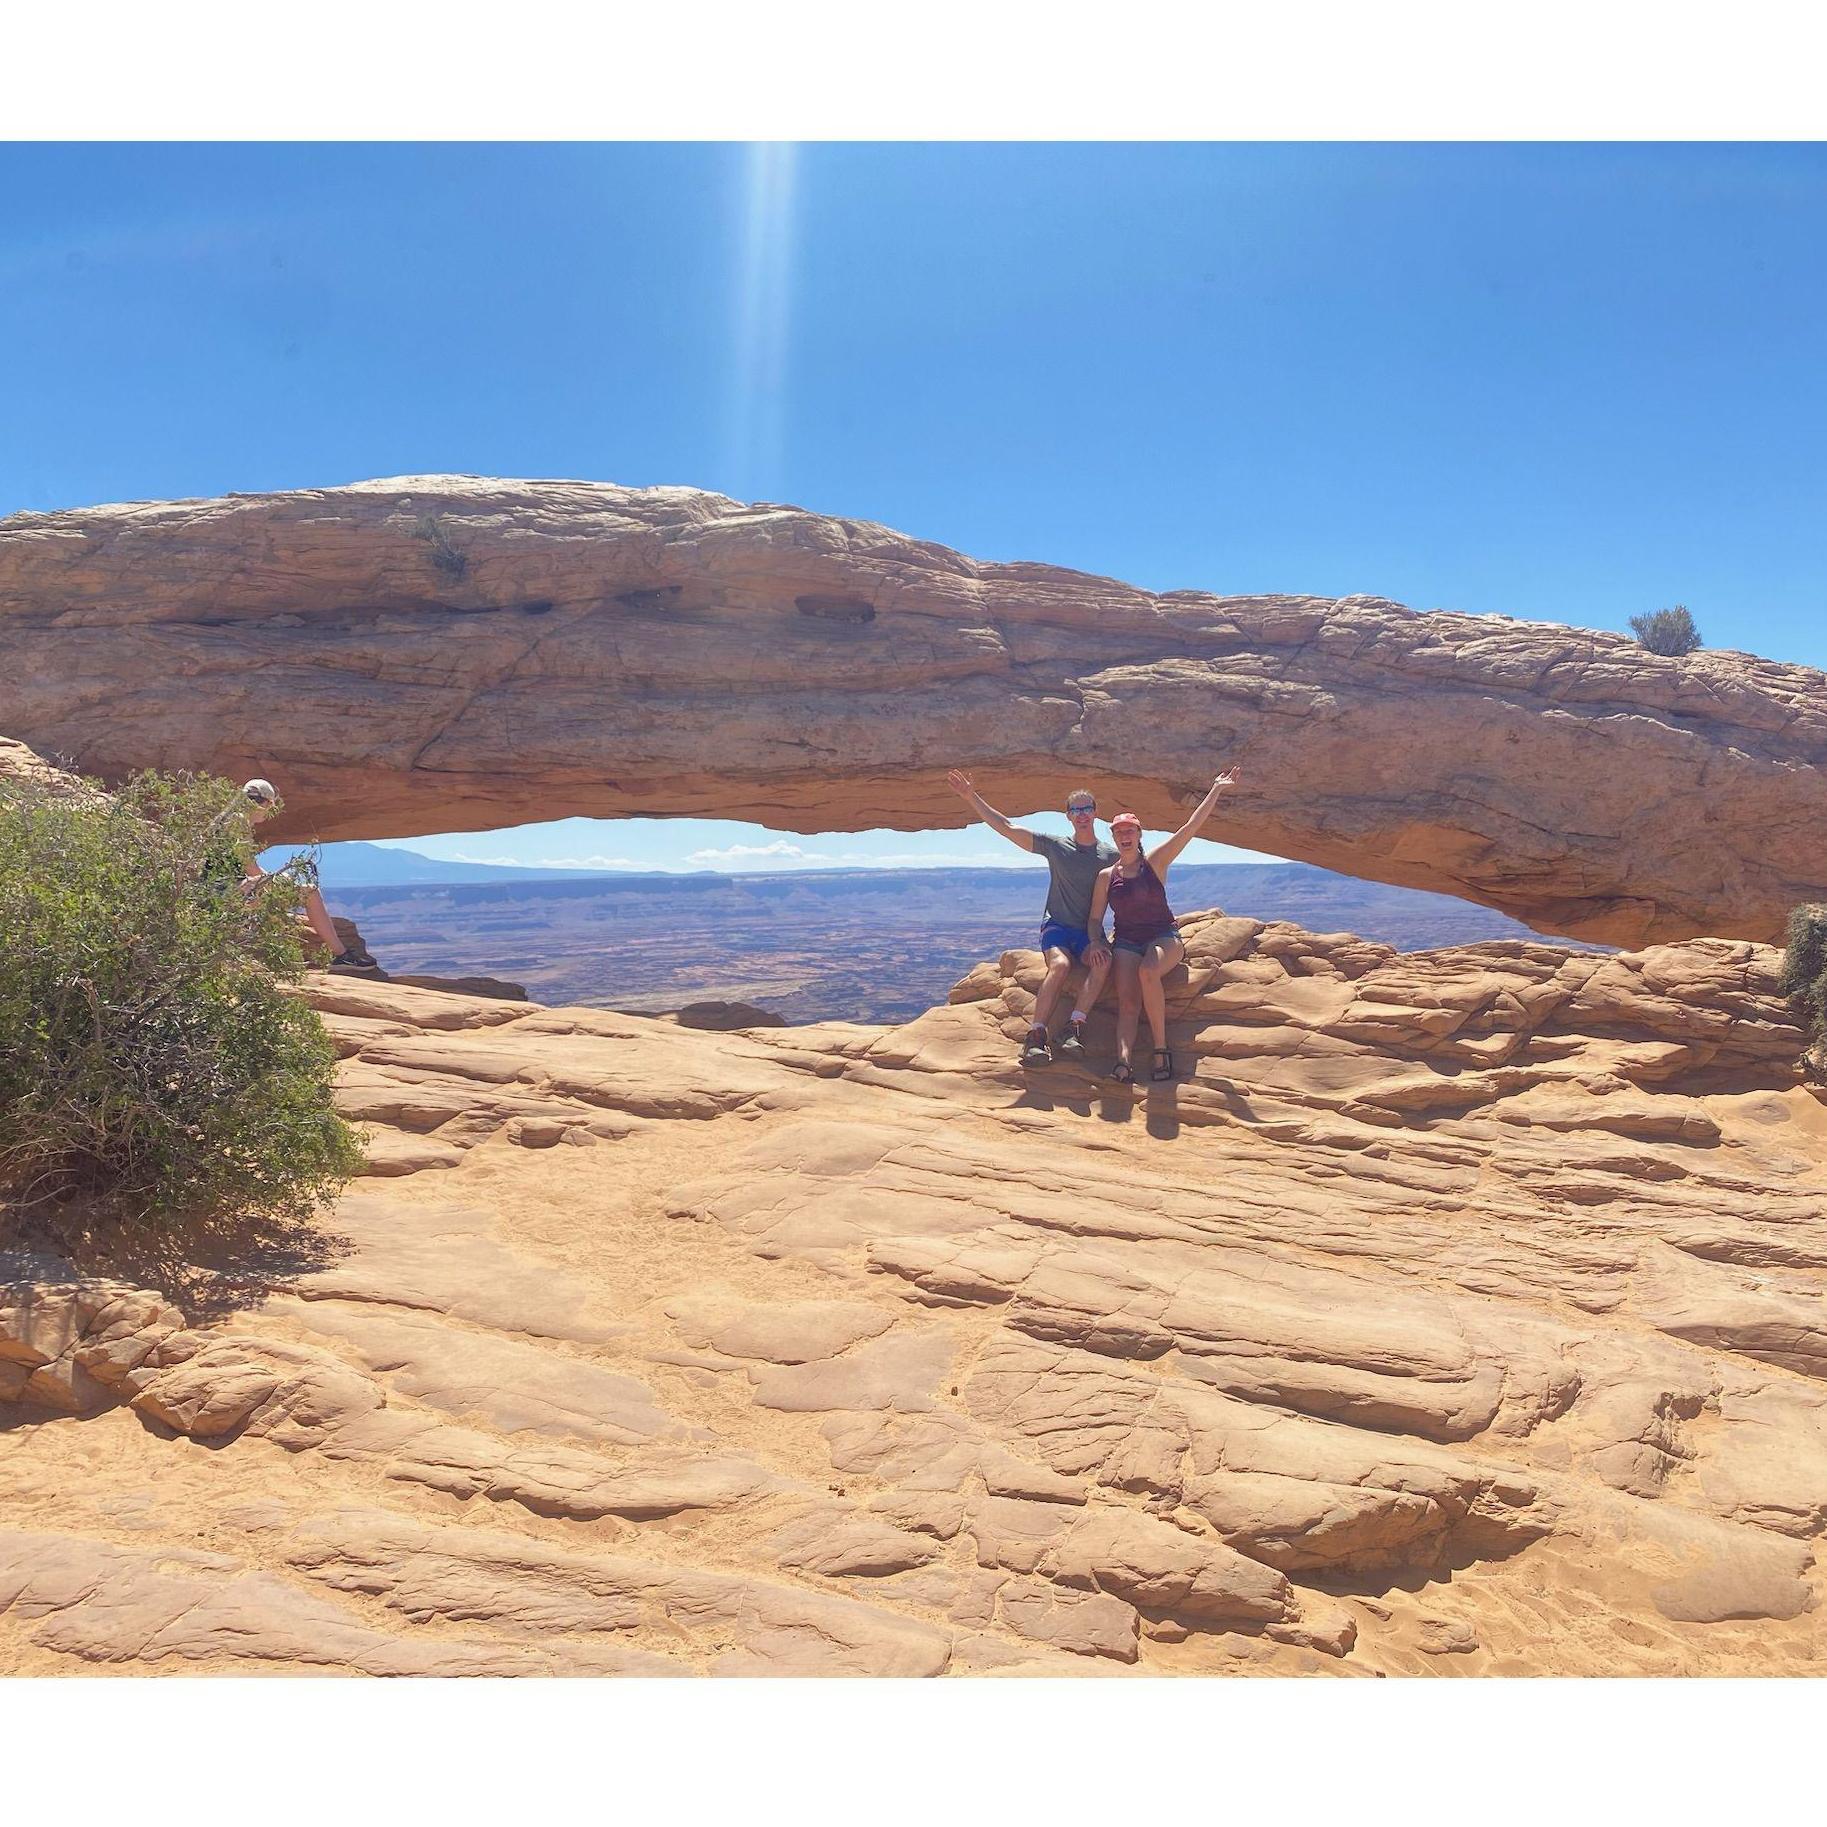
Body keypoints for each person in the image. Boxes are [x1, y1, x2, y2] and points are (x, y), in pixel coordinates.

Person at [946, 770, 1116, 1065]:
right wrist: (970, 797)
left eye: (1087, 808)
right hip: (1058, 927)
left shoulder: (1109, 855)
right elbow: (1008, 828)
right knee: (1061, 965)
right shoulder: (1057, 846)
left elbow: (1141, 879)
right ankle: (1035, 1036)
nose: (1082, 814)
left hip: (1088, 931)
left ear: (1096, 813)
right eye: (1076, 809)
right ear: (1068, 816)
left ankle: (1073, 1027)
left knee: (1103, 962)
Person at [1086, 768, 1240, 1085]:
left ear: (1139, 835)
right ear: (1114, 838)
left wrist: (1216, 790)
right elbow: (1093, 918)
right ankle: (1123, 1062)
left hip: (1163, 937)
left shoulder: (1155, 862)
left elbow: (1189, 828)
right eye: (1119, 832)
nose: (1125, 836)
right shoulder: (1107, 876)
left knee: (1148, 971)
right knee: (1128, 1003)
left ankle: (1161, 1049)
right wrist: (1097, 942)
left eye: (1130, 831)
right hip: (1127, 941)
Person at [228, 779, 378, 970]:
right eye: (271, 806)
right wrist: (279, 883)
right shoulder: (238, 823)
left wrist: (276, 881)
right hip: (228, 891)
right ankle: (341, 956)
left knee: (283, 892)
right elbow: (250, 868)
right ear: (265, 802)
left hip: (223, 888)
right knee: (309, 892)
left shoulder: (231, 819)